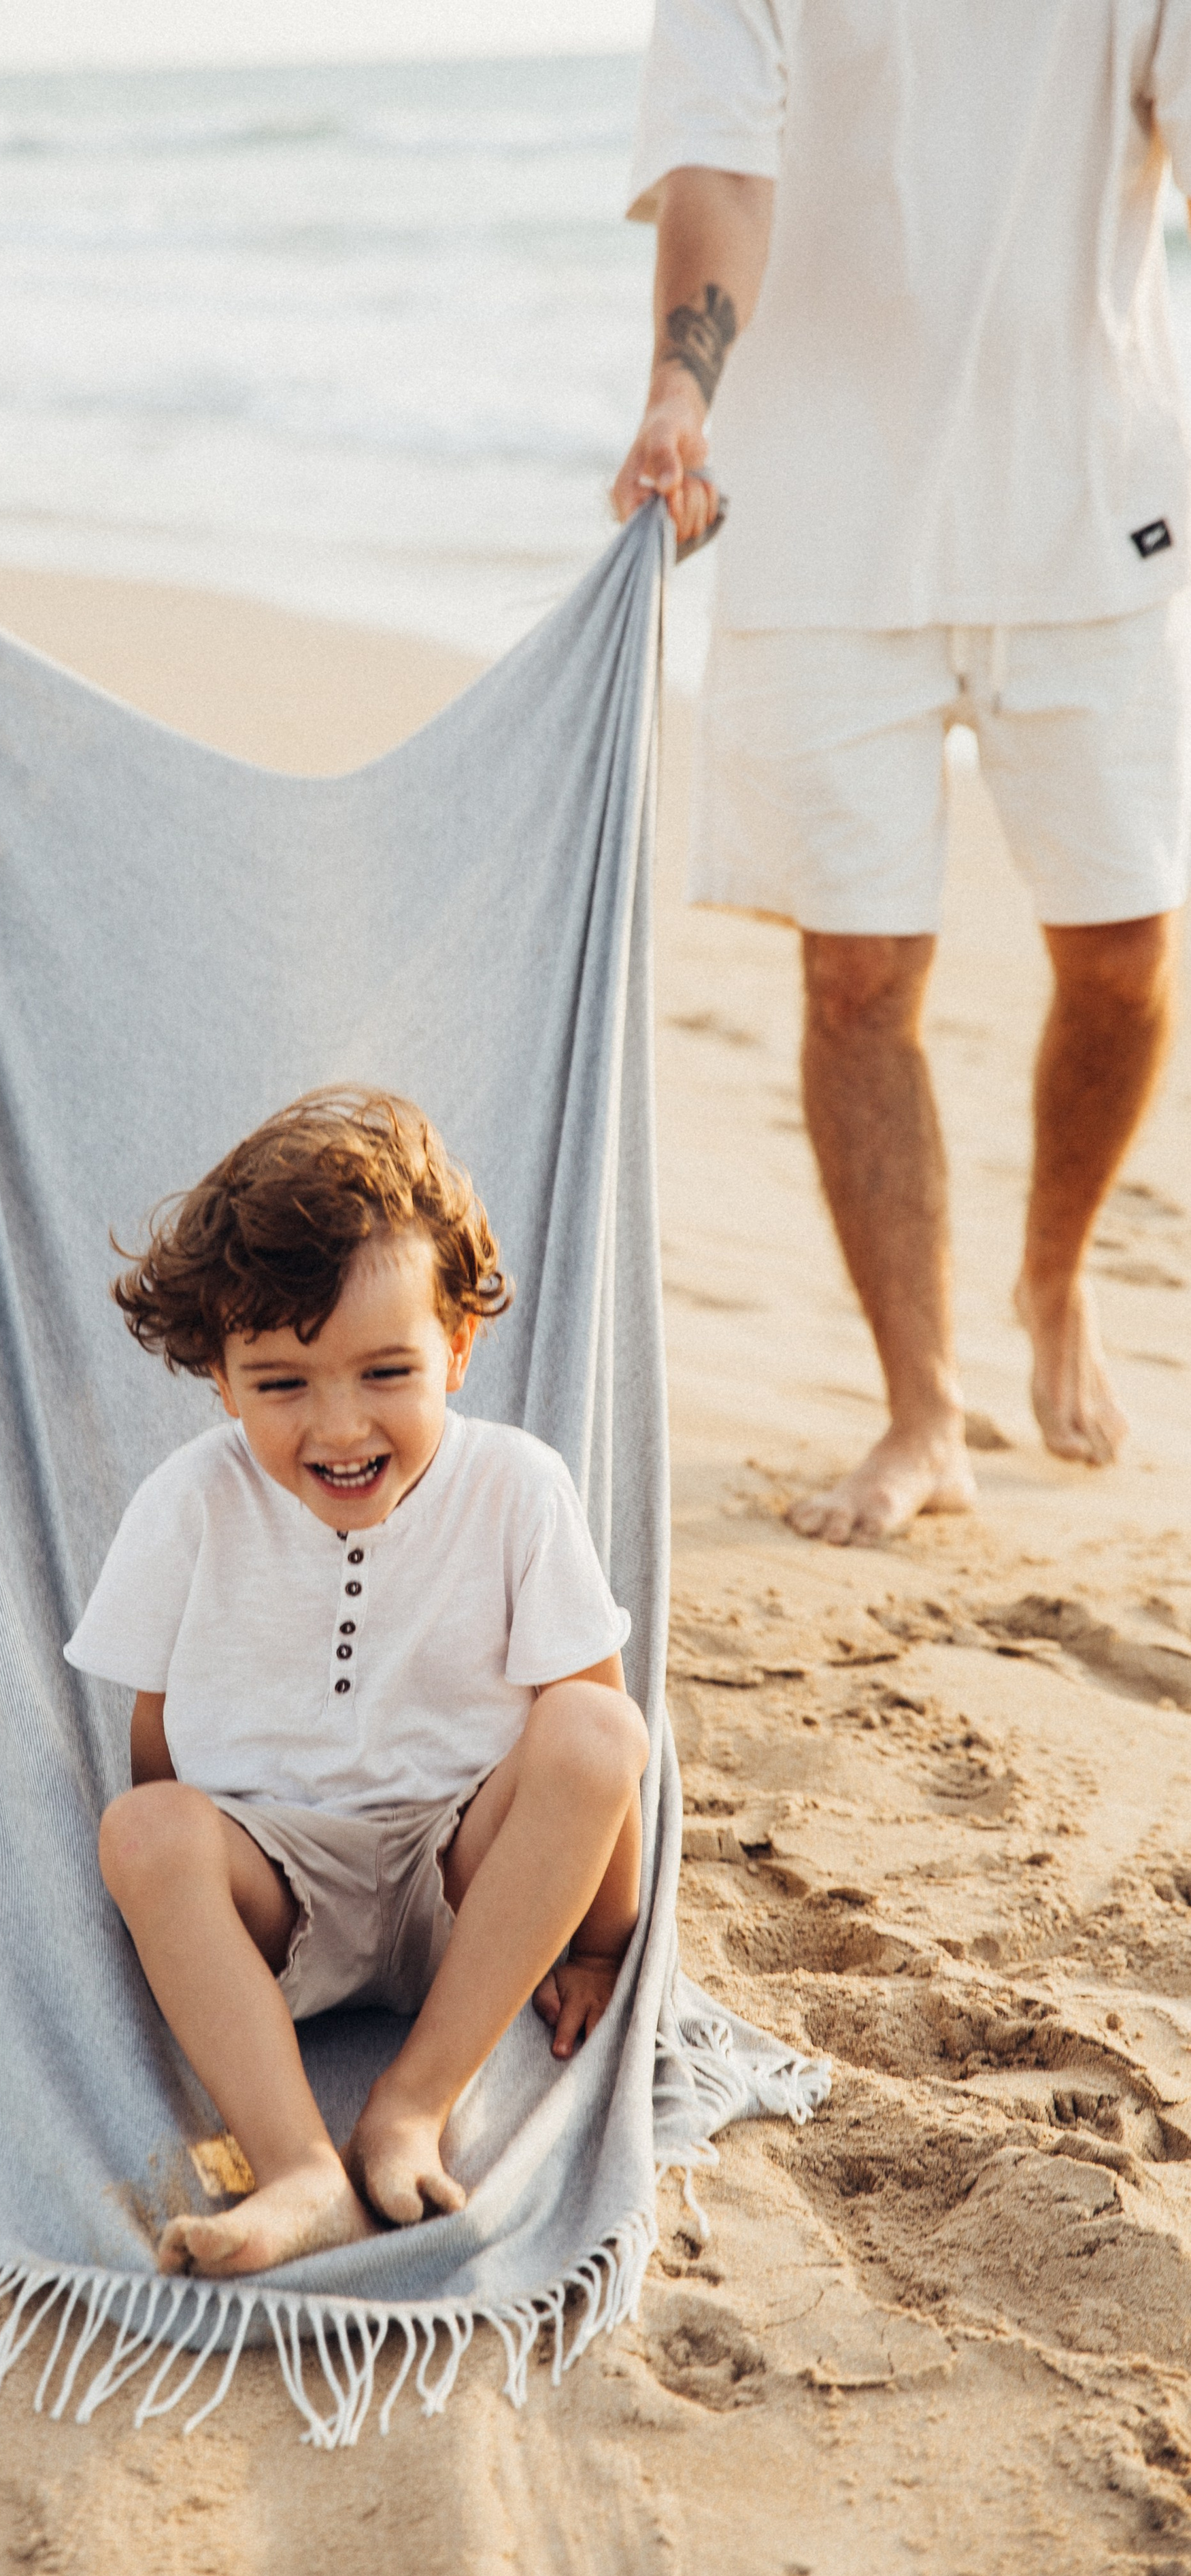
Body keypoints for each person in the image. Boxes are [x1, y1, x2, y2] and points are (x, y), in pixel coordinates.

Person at [613, 1, 1190, 1544]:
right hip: (816, 528)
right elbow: (718, 172)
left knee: (1124, 956)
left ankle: (1052, 1278)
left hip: (1091, 512)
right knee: (857, 983)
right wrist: (681, 390)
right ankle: (919, 1409)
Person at [65, 1090, 650, 2279]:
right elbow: (155, 1737)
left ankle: (411, 2106)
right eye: (281, 1384)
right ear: (221, 1382)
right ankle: (297, 2168)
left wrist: (600, 1945)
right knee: (144, 1827)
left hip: (469, 1888)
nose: (340, 1426)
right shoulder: (189, 1504)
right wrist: (190, 1910)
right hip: (281, 1890)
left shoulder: (519, 1489)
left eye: (386, 1371)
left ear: (458, 1348)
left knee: (595, 1725)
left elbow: (600, 1753)